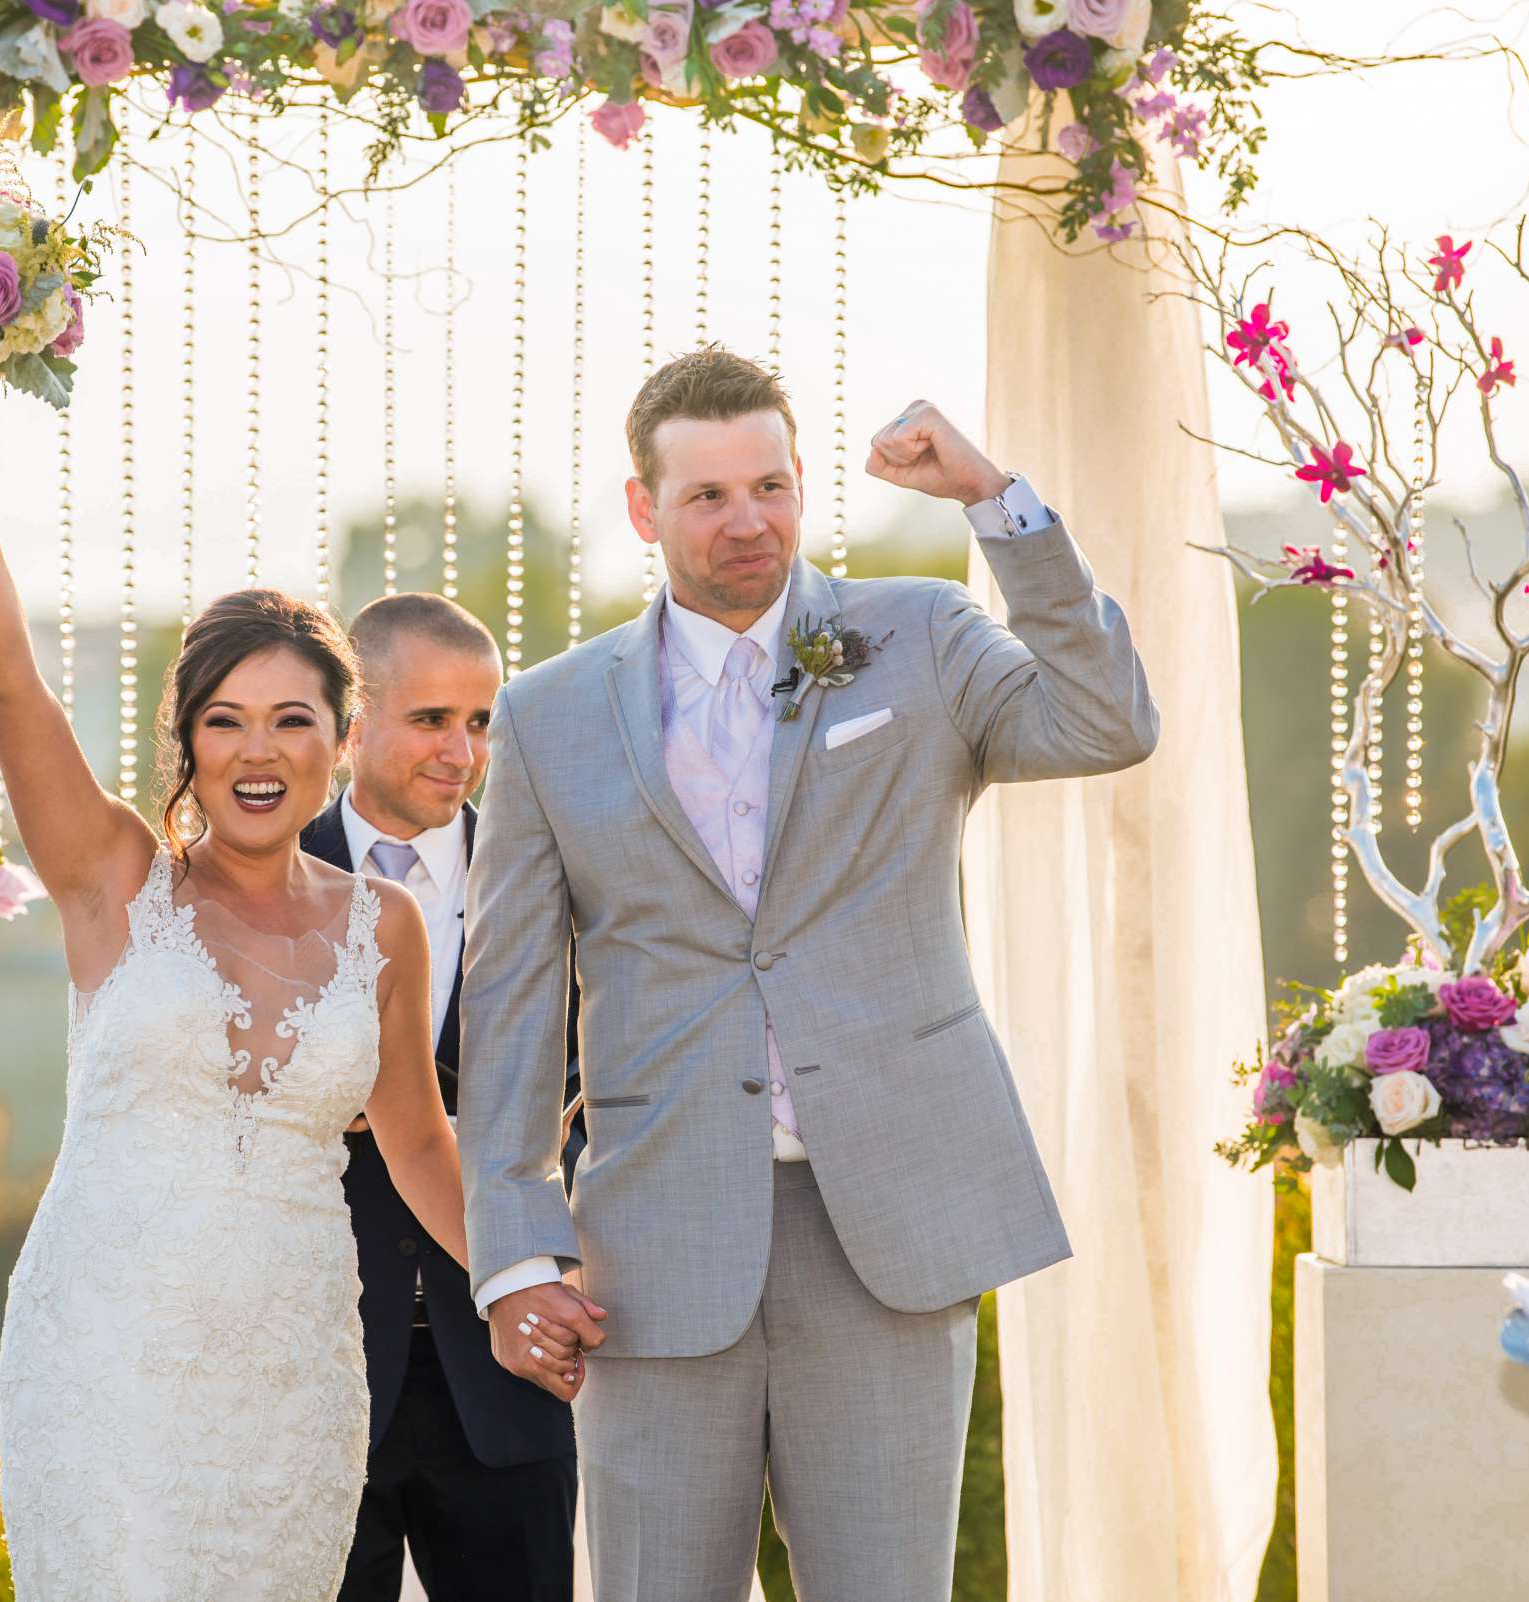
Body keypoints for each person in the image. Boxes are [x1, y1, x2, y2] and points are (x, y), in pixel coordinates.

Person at [458, 347, 1160, 1600]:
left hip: (888, 1221)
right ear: (643, 509)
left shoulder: (922, 634)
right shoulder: (549, 714)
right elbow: (512, 995)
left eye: (771, 486)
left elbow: (1105, 722)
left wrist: (995, 500)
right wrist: (517, 1251)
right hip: (655, 1244)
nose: (749, 522)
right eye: (708, 497)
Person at [0, 382, 508, 1602]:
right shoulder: (114, 884)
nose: (257, 750)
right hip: (105, 1349)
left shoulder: (383, 928)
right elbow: (11, 681)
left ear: (341, 738)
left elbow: (423, 1144)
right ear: (188, 740)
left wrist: (537, 1280)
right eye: (224, 722)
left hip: (295, 1369)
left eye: (292, 720)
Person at [298, 593, 582, 1602]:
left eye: (480, 723)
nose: (461, 752)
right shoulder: (262, 879)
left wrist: (562, 1253)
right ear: (355, 719)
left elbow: (599, 1090)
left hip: (508, 1379)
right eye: (432, 720)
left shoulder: (549, 875)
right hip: (308, 1377)